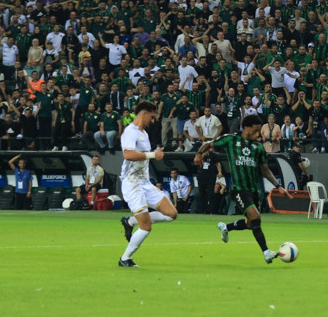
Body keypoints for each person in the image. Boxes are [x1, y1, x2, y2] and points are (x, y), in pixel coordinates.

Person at [193, 113, 291, 263]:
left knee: (251, 223)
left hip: (253, 190)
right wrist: (199, 154)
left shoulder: (258, 148)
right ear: (246, 128)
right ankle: (266, 252)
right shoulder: (231, 140)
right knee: (256, 217)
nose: (258, 134)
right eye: (256, 130)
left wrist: (279, 186)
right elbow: (210, 144)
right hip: (238, 188)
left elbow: (265, 170)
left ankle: (226, 228)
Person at [117, 101, 179, 267]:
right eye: (152, 117)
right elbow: (128, 154)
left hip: (144, 182)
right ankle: (125, 259)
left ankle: (130, 222)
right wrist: (153, 155)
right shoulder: (130, 132)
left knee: (171, 214)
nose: (153, 121)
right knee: (146, 227)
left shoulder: (144, 133)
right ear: (143, 114)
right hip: (132, 184)